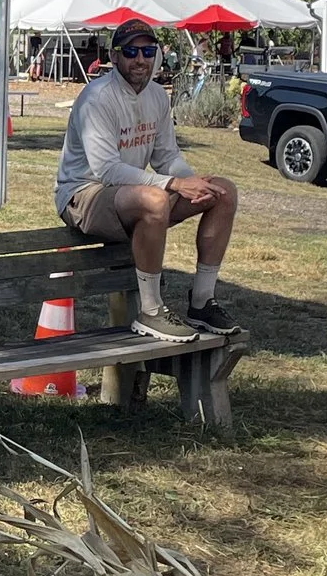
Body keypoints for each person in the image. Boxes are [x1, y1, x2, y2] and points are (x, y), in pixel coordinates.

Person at [54, 20, 241, 341]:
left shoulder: (156, 95)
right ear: (114, 57)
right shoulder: (97, 98)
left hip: (131, 196)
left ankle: (202, 303)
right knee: (154, 200)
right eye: (130, 51)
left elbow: (167, 156)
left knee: (223, 191)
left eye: (148, 51)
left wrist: (191, 180)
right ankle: (151, 311)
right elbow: (107, 172)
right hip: (83, 196)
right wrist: (174, 185)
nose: (140, 59)